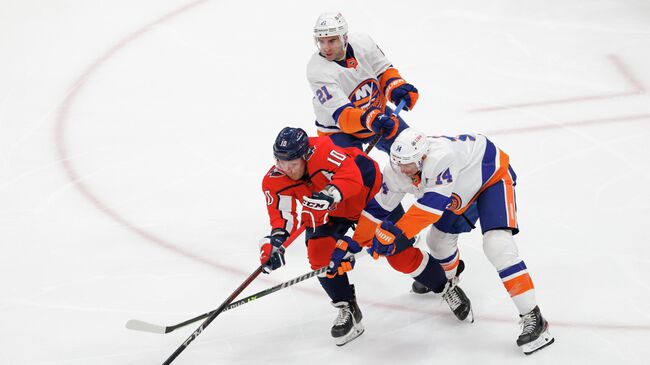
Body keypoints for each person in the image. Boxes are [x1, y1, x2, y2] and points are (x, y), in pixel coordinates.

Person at [345, 128, 555, 355]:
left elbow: (430, 208)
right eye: (398, 163)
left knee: (497, 245)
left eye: (408, 164)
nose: (402, 170)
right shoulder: (398, 168)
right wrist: (355, 244)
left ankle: (534, 316)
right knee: (438, 242)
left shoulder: (441, 158)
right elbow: (378, 208)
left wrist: (397, 233)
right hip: (456, 191)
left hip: (490, 179)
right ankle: (449, 281)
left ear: (423, 157)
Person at [259, 127, 471, 346]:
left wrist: (329, 195)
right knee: (320, 256)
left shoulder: (322, 150)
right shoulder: (274, 180)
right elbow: (282, 217)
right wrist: (275, 243)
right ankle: (347, 308)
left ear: (305, 155)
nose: (287, 169)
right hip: (330, 214)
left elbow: (351, 178)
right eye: (280, 162)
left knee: (399, 255)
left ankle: (445, 286)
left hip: (371, 198)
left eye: (292, 164)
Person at [306, 12, 419, 154]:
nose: (326, 48)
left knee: (413, 151)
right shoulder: (317, 70)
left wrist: (396, 87)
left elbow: (383, 70)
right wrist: (370, 118)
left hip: (376, 113)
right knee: (360, 173)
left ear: (344, 37)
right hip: (337, 131)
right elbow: (343, 115)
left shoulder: (363, 43)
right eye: (321, 41)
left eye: (332, 41)